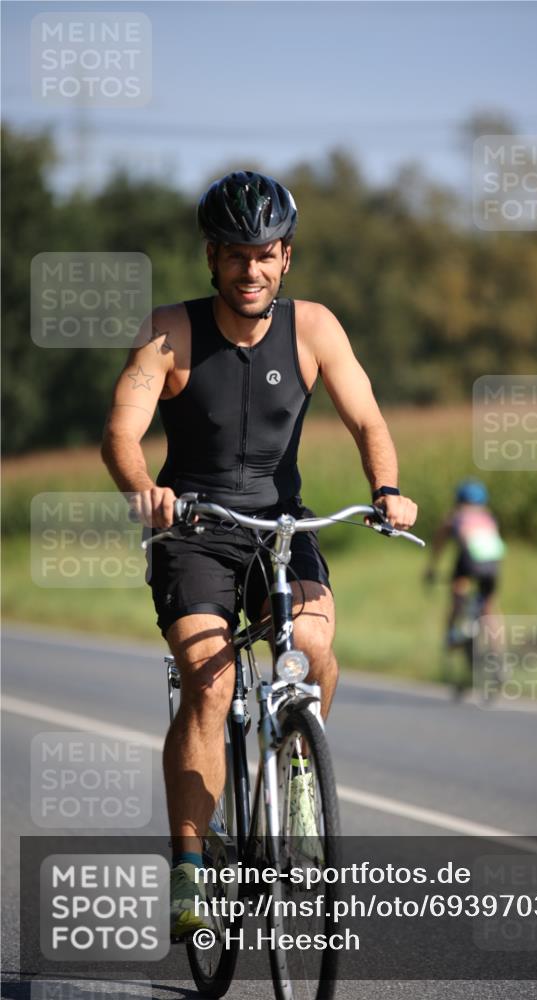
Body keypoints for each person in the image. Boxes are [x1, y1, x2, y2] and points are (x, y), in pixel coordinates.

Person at [101, 170, 418, 937]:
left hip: (282, 527)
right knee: (207, 685)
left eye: (267, 255)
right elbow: (121, 429)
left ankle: (298, 774)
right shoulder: (169, 330)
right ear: (212, 257)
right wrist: (145, 486)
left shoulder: (314, 328)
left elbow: (368, 419)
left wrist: (386, 489)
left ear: (286, 258)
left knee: (312, 648)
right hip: (195, 527)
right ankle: (189, 870)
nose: (251, 270)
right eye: (237, 255)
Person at [424, 479, 504, 646]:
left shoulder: (455, 516)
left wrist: (431, 568)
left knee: (458, 593)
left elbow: (439, 544)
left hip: (469, 563)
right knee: (489, 608)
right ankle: (500, 655)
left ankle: (451, 633)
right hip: (493, 565)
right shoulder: (488, 517)